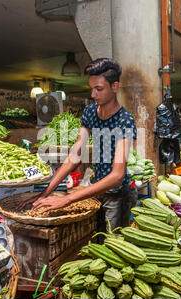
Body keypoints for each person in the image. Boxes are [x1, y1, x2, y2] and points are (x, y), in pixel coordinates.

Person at [16, 58, 138, 237]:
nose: (93, 95)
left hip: (118, 196)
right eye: (91, 88)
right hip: (97, 190)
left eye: (99, 89)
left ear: (115, 86)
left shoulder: (124, 121)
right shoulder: (90, 113)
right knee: (96, 240)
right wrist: (46, 192)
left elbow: (117, 176)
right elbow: (75, 155)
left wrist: (67, 199)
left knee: (114, 245)